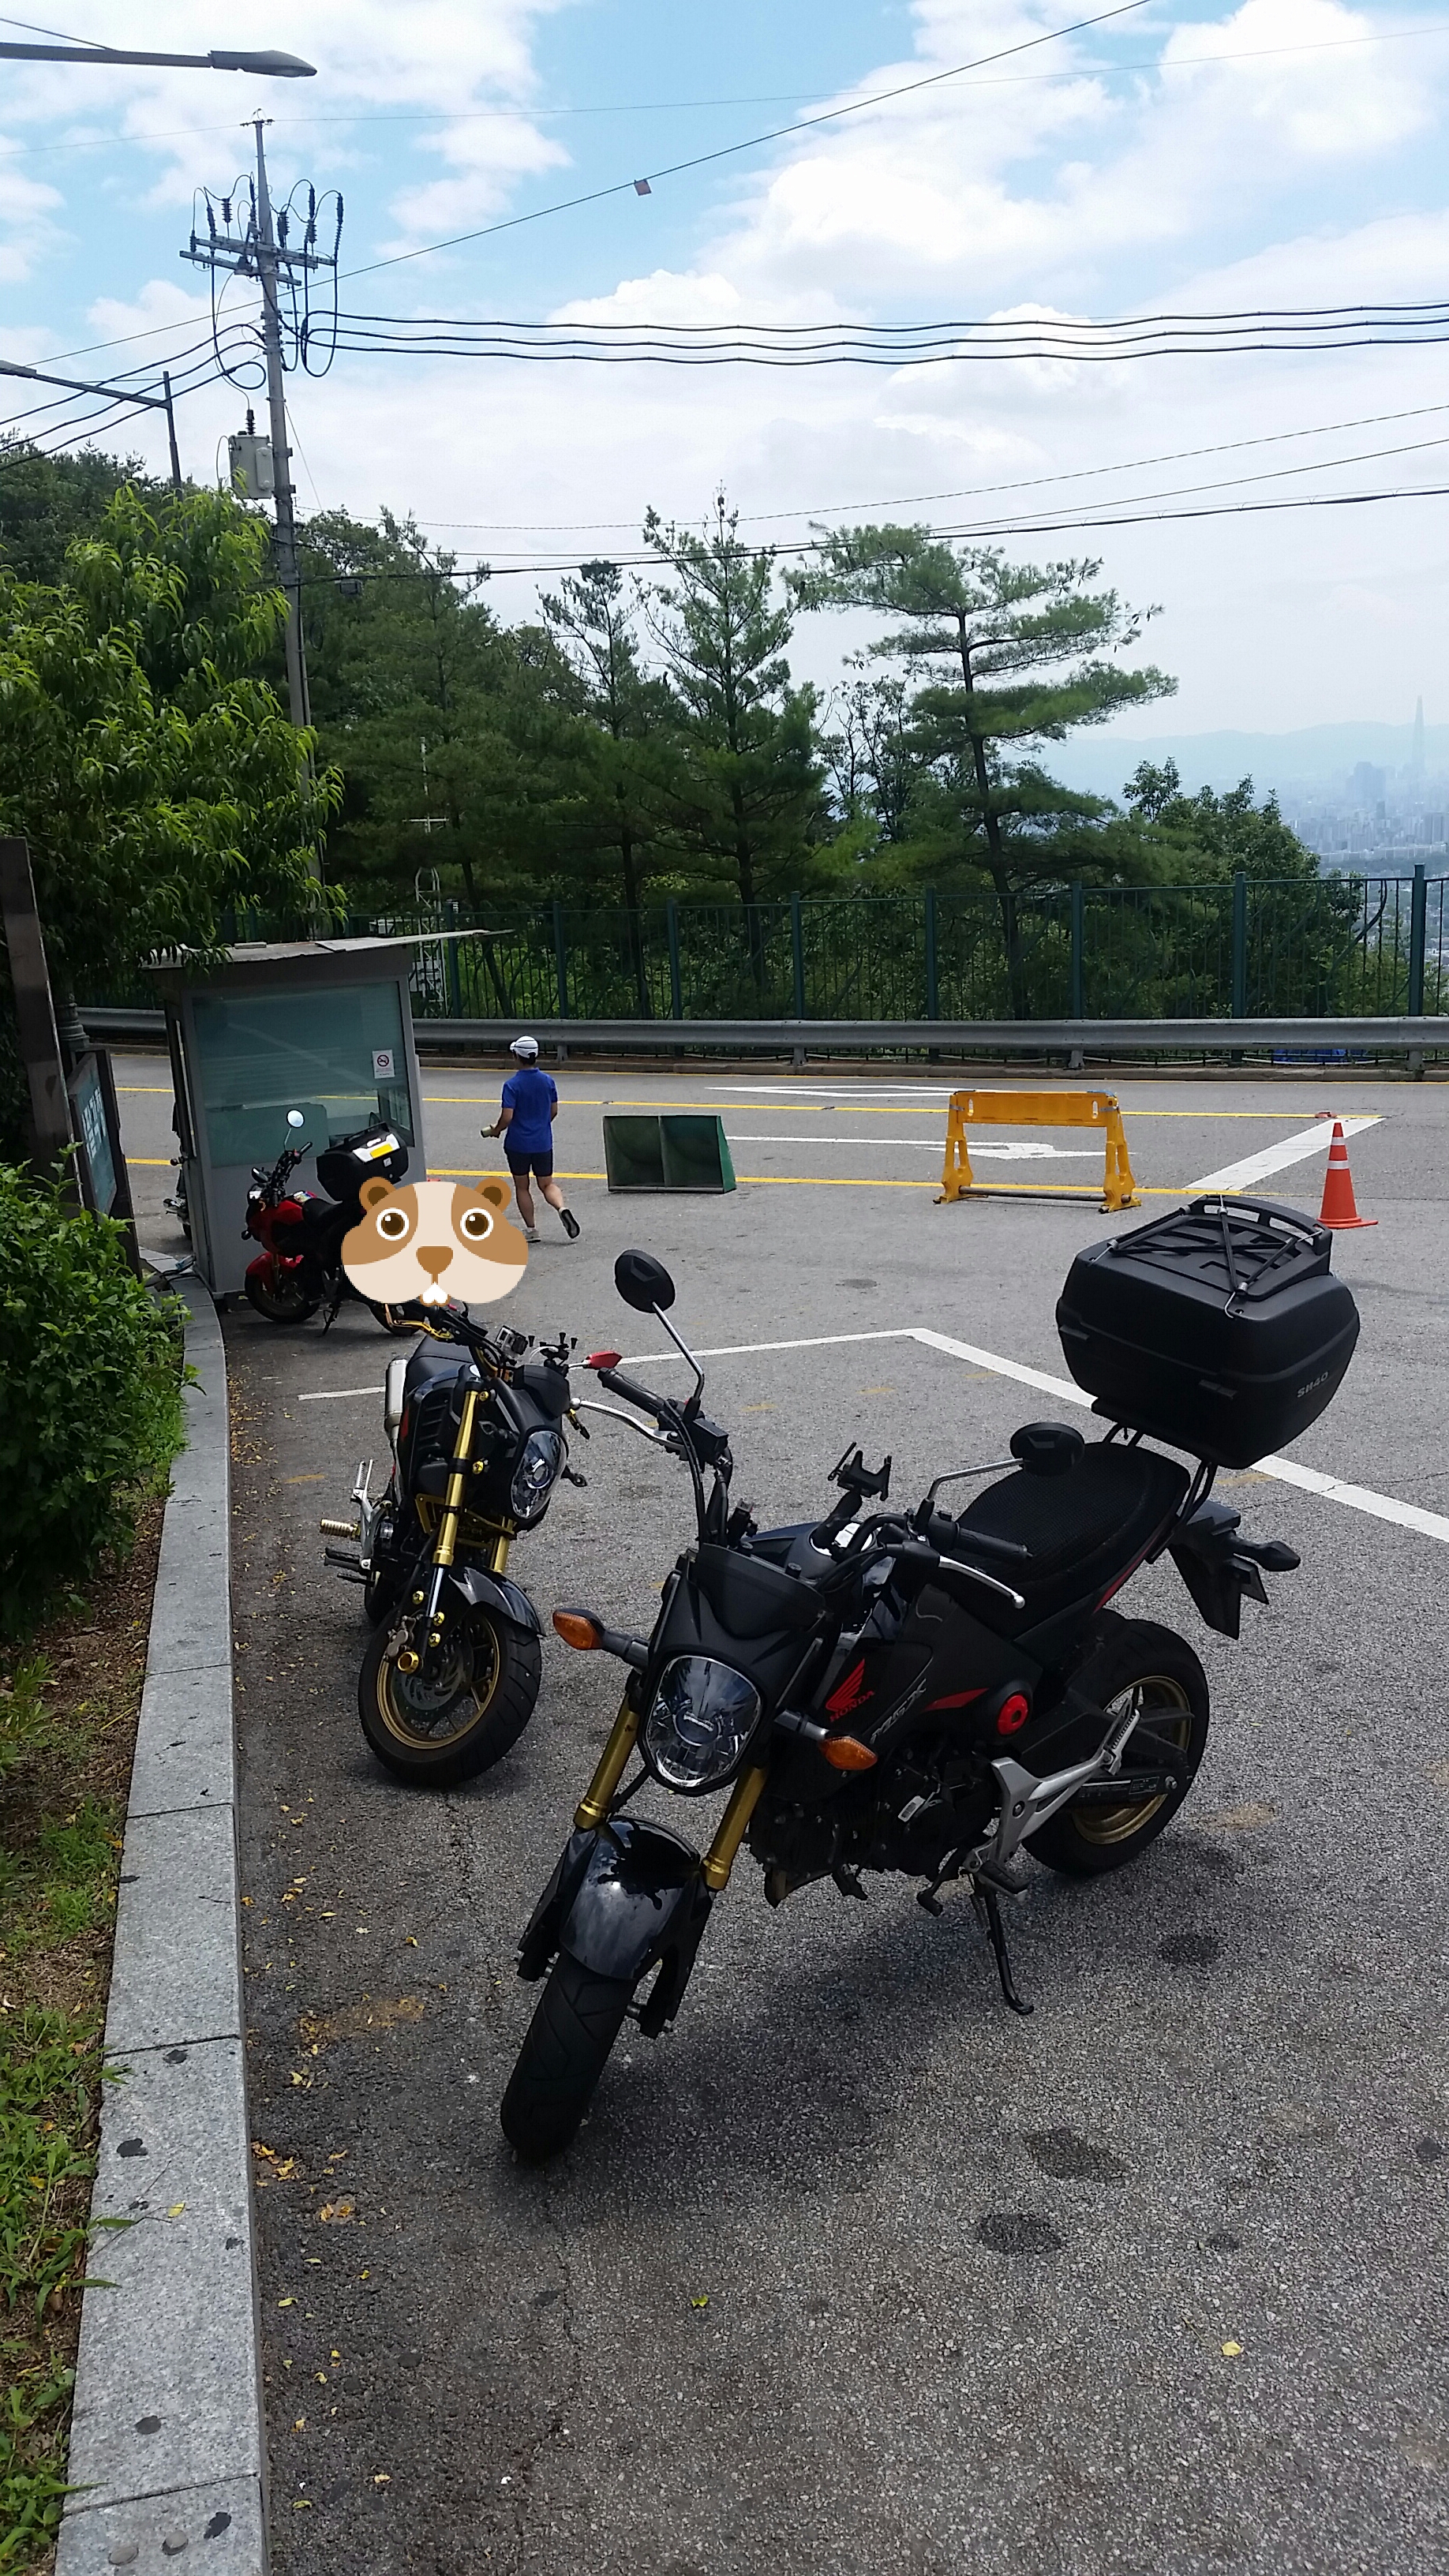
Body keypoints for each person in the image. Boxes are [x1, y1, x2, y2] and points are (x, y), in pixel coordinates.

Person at [485, 1035, 580, 1244]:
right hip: (542, 1142)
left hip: (518, 1144)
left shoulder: (512, 1085)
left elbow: (507, 1117)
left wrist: (496, 1129)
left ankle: (532, 1230)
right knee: (547, 1184)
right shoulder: (548, 1081)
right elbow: (553, 1110)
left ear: (516, 1056)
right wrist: (541, 1125)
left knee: (522, 1186)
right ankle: (561, 1208)